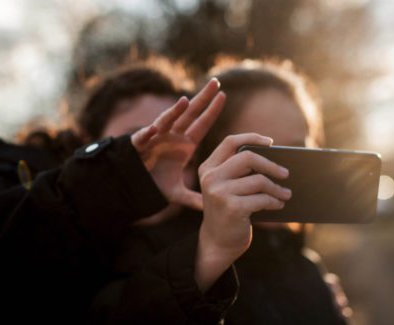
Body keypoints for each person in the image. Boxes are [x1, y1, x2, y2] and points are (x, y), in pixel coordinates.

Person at [0, 63, 241, 323]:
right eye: (141, 138)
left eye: (185, 153)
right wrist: (112, 181)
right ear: (89, 142)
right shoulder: (16, 177)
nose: (164, 159)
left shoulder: (190, 237)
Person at [96, 58, 349, 324]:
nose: (283, 171)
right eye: (260, 153)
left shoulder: (304, 265)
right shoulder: (154, 256)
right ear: (209, 155)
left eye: (298, 150)